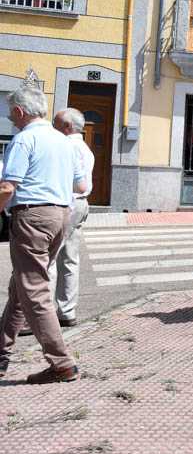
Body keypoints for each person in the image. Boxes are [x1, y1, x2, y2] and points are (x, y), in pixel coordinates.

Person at [0, 85, 87, 383]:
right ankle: (1, 352)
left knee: (33, 290)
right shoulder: (64, 141)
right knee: (21, 287)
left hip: (32, 217)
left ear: (20, 111)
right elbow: (81, 186)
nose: (10, 118)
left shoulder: (24, 139)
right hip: (59, 216)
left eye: (11, 112)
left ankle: (62, 363)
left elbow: (7, 186)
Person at [50, 108, 94, 327]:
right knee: (70, 259)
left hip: (66, 203)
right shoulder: (85, 148)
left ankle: (42, 315)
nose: (52, 128)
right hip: (81, 203)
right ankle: (67, 311)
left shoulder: (65, 146)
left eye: (55, 124)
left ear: (67, 127)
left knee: (49, 258)